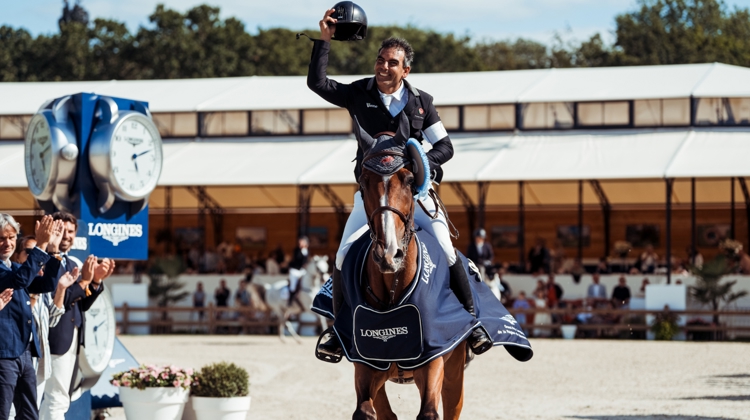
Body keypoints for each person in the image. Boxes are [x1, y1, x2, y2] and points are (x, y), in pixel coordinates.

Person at [308, 8, 492, 358]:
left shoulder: (423, 103)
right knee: (344, 251)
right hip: (373, 195)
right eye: (380, 60)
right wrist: (325, 40)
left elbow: (446, 147)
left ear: (405, 69)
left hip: (414, 193)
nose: (383, 67)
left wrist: (420, 163)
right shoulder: (358, 93)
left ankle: (472, 322)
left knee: (445, 244)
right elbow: (318, 84)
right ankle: (338, 328)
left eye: (391, 62)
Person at [41, 212, 114, 420]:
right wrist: (84, 283)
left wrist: (95, 282)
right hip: (53, 339)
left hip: (72, 338)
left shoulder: (72, 263)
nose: (66, 235)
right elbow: (59, 299)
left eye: (71, 231)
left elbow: (80, 304)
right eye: (62, 230)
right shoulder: (46, 261)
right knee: (56, 398)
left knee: (59, 399)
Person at [0, 214, 64, 420]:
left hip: (24, 352)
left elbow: (46, 285)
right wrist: (41, 245)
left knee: (29, 414)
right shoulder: (12, 272)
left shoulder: (15, 267)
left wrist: (53, 251)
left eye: (11, 237)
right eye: (1, 238)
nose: (7, 243)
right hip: (4, 354)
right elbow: (20, 280)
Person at [287, 236, 309, 308]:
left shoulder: (307, 251)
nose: (300, 243)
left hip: (302, 271)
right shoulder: (296, 250)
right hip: (295, 270)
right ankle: (290, 301)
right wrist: (301, 249)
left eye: (302, 242)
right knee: (293, 286)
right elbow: (297, 258)